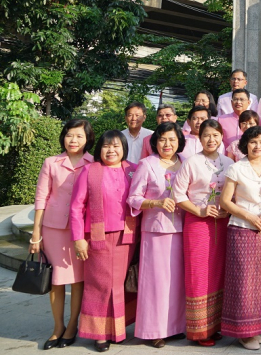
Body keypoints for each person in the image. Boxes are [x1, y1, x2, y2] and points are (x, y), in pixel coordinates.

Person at [69, 130, 138, 352]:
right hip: (97, 237)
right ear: (99, 149)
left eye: (116, 146)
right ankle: (99, 334)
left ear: (123, 149)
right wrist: (78, 239)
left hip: (127, 237)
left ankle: (117, 331)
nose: (111, 150)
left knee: (118, 285)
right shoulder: (90, 171)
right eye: (106, 146)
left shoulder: (132, 170)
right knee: (99, 284)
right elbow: (76, 207)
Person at [31, 119, 94, 350]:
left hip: (81, 231)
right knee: (56, 281)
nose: (74, 140)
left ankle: (71, 325)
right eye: (69, 135)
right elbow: (41, 198)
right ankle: (57, 327)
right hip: (54, 229)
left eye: (79, 136)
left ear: (87, 139)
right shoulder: (51, 162)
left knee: (78, 281)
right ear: (63, 137)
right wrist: (36, 233)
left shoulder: (93, 164)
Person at [173, 119, 234, 346]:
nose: (211, 139)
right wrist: (200, 210)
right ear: (200, 138)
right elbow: (178, 196)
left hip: (222, 224)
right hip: (197, 224)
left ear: (222, 138)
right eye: (207, 135)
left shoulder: (229, 162)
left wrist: (227, 212)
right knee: (199, 275)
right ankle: (200, 330)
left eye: (216, 135)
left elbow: (233, 194)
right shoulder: (191, 162)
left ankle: (216, 325)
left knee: (218, 274)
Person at [127, 122, 187, 348]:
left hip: (182, 229)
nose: (167, 144)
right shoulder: (147, 164)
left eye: (172, 139)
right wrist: (156, 202)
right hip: (156, 230)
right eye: (162, 140)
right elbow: (133, 197)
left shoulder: (185, 163)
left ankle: (175, 327)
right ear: (155, 142)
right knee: (156, 283)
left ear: (179, 141)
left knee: (176, 282)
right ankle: (154, 330)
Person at [219, 126, 261, 350]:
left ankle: (257, 327)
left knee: (260, 282)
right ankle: (242, 331)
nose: (257, 146)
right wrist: (249, 216)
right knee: (243, 282)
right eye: (253, 142)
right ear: (245, 144)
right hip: (242, 228)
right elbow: (225, 201)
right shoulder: (236, 168)